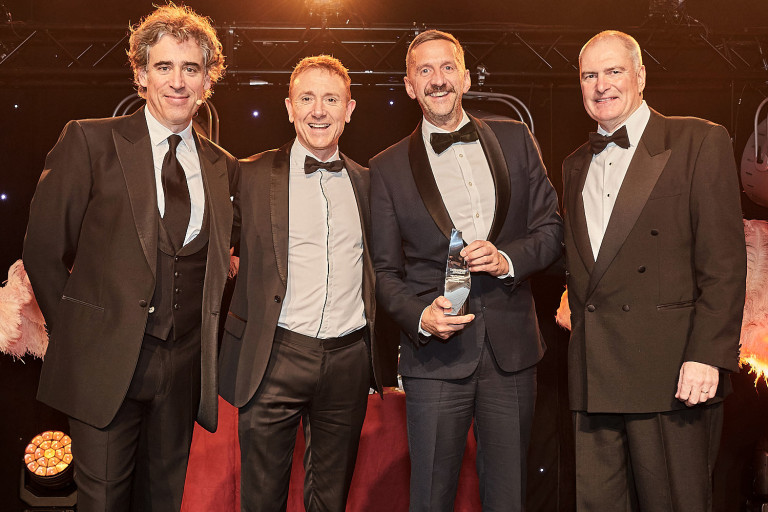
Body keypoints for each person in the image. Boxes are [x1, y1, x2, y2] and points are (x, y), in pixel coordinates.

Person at [22, 5, 239, 511]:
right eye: (164, 67)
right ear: (141, 74)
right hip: (103, 367)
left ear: (208, 79)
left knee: (163, 502)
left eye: (190, 69)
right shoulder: (89, 140)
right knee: (102, 503)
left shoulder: (223, 167)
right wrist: (77, 335)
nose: (178, 82)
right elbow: (42, 249)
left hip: (183, 371)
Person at [369, 29, 563, 511]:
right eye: (425, 71)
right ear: (409, 85)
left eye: (447, 67)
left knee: (508, 498)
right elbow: (384, 274)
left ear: (467, 77)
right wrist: (419, 317)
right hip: (435, 359)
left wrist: (507, 258)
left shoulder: (516, 140)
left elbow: (552, 229)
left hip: (511, 353)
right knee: (430, 497)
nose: (438, 80)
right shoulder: (386, 168)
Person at [562, 30, 746, 510]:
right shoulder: (574, 165)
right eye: (589, 75)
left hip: (672, 376)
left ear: (640, 76)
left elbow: (724, 262)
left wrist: (708, 354)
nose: (601, 85)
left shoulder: (698, 140)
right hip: (593, 376)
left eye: (614, 71)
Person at [218, 55, 384, 512]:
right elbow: (209, 248)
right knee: (261, 501)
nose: (318, 111)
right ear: (289, 107)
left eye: (330, 99)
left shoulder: (370, 183)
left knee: (330, 502)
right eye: (306, 98)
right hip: (274, 354)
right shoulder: (249, 175)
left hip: (348, 359)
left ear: (349, 109)